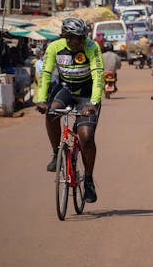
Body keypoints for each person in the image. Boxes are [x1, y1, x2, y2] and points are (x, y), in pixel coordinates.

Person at [36, 17, 103, 203]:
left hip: (87, 94)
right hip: (65, 89)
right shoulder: (54, 48)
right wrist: (41, 100)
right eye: (77, 39)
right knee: (51, 113)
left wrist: (94, 103)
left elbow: (98, 75)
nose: (81, 42)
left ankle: (88, 180)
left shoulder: (91, 47)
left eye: (83, 38)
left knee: (87, 137)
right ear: (67, 37)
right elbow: (46, 74)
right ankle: (57, 153)